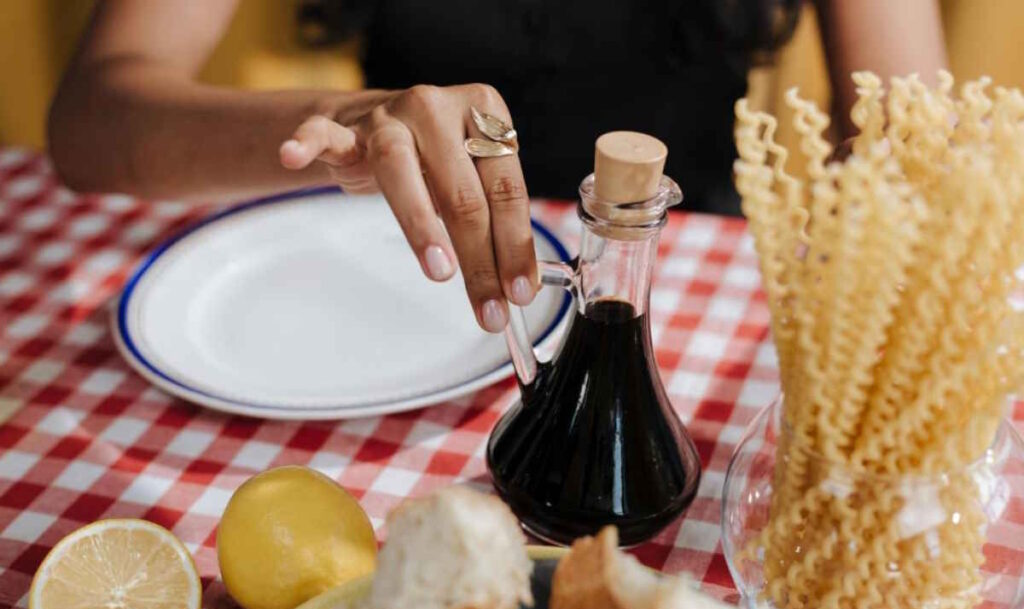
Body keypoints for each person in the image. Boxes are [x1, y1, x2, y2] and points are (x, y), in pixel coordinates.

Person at [48, 1, 946, 333]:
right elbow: (92, 121)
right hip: (408, 287)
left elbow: (906, 137)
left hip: (681, 296)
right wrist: (341, 126)